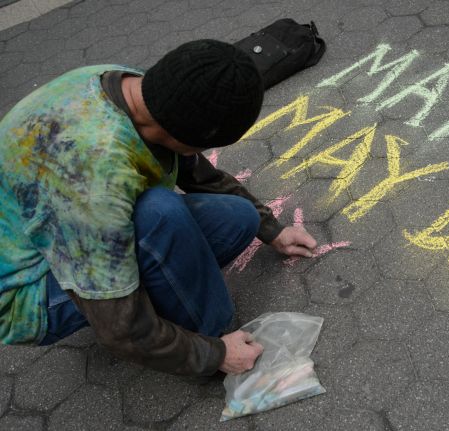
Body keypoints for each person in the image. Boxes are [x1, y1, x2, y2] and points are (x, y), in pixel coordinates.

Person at [0, 39, 318, 375]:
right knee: (158, 213)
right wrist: (214, 354)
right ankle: (217, 334)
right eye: (205, 143)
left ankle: (170, 308)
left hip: (73, 223)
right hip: (23, 293)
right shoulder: (95, 180)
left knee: (241, 218)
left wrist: (272, 230)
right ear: (179, 134)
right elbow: (119, 330)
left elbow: (200, 173)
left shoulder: (142, 89)